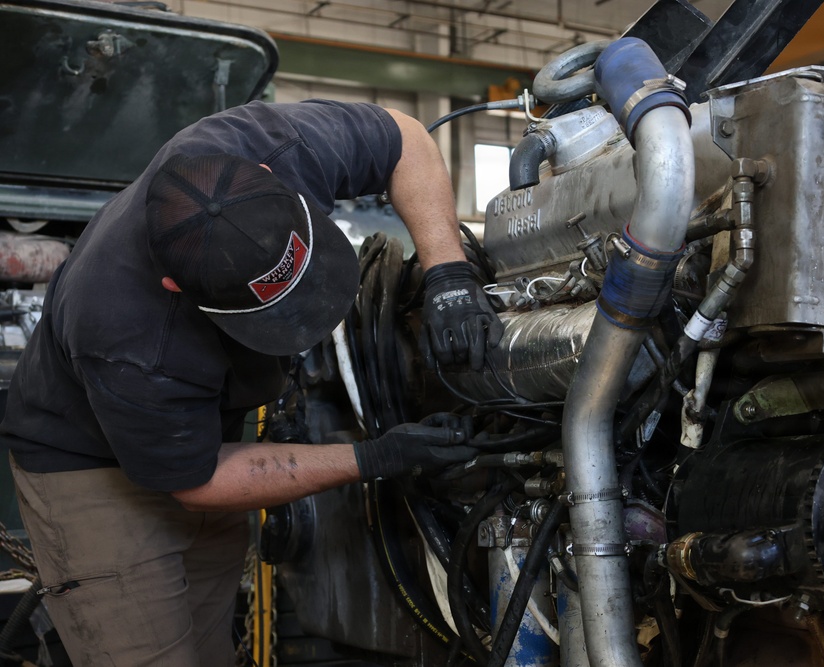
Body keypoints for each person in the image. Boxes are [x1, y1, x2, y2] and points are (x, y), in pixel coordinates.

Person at [0, 99, 504, 666]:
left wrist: (449, 274)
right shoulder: (127, 334)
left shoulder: (267, 144)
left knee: (210, 648)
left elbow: (404, 138)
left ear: (270, 179)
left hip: (206, 432)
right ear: (176, 285)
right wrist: (375, 457)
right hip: (92, 468)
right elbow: (199, 480)